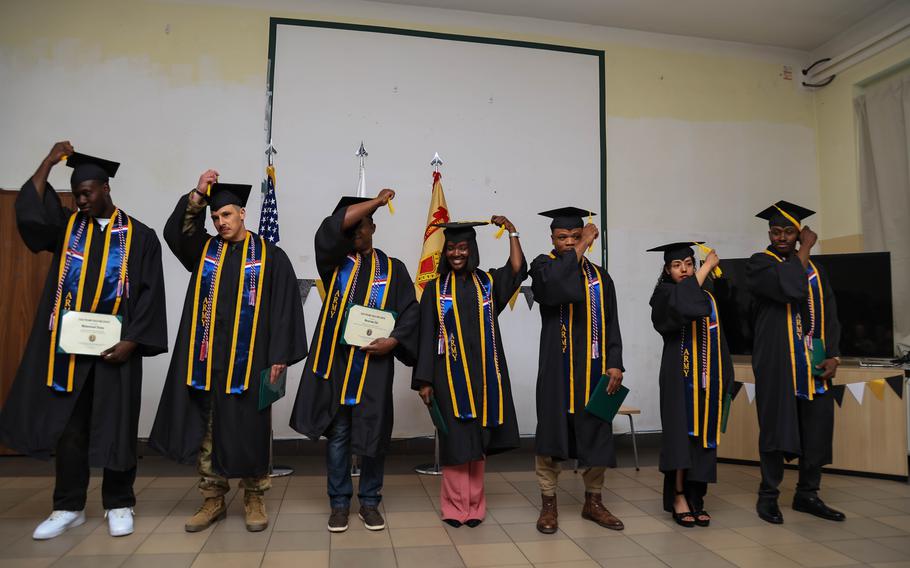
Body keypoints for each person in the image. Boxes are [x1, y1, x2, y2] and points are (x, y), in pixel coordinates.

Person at [0, 142, 168, 539]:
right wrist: (48, 161)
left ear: (106, 188)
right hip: (70, 354)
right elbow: (29, 212)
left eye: (86, 193)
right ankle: (68, 506)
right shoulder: (67, 229)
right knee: (70, 429)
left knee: (118, 426)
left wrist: (132, 341)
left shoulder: (140, 237)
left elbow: (150, 294)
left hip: (116, 352)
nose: (80, 201)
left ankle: (119, 502)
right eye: (75, 194)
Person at [150, 170, 307, 533]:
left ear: (242, 215)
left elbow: (285, 309)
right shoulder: (205, 251)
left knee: (251, 430)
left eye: (226, 215)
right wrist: (197, 194)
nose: (220, 222)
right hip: (206, 363)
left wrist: (280, 357)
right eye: (215, 217)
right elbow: (177, 233)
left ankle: (254, 497)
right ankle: (212, 499)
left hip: (251, 365)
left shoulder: (270, 257)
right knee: (208, 431)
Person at [290, 191, 419, 533]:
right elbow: (329, 229)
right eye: (350, 229)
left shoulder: (393, 269)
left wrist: (393, 341)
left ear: (374, 228)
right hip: (338, 367)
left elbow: (410, 313)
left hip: (374, 369)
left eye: (361, 228)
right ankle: (339, 503)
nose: (355, 234)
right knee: (339, 437)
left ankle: (371, 502)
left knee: (374, 437)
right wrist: (375, 201)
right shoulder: (334, 264)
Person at [412, 217, 526, 528]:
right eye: (451, 248)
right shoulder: (435, 289)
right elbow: (425, 336)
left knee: (477, 442)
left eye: (462, 247)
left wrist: (512, 231)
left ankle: (475, 506)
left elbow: (516, 269)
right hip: (447, 378)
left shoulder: (487, 283)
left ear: (471, 249)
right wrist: (423, 381)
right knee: (456, 444)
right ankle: (453, 506)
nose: (456, 253)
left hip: (485, 379)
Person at [747, 200, 843, 524]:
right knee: (775, 427)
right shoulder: (760, 264)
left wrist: (833, 354)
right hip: (777, 363)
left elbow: (830, 315)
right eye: (776, 231)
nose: (782, 237)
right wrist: (807, 247)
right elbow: (789, 285)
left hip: (812, 363)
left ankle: (807, 494)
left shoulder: (817, 272)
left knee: (815, 428)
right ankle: (768, 497)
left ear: (797, 232)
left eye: (789, 231)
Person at [530, 207, 625, 534]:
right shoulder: (543, 267)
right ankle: (548, 504)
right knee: (551, 433)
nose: (569, 242)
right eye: (563, 237)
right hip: (557, 370)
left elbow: (612, 322)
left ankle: (593, 501)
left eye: (575, 236)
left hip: (594, 370)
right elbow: (555, 287)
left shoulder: (600, 277)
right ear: (552, 239)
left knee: (597, 432)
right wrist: (583, 245)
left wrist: (615, 361)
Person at [647, 242, 733, 528]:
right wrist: (708, 266)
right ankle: (679, 496)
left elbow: (720, 338)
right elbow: (683, 304)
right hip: (677, 378)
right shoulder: (663, 295)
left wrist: (726, 376)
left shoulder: (708, 296)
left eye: (688, 263)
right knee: (681, 438)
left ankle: (697, 497)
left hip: (709, 376)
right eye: (676, 265)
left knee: (703, 438)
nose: (683, 269)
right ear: (667, 270)